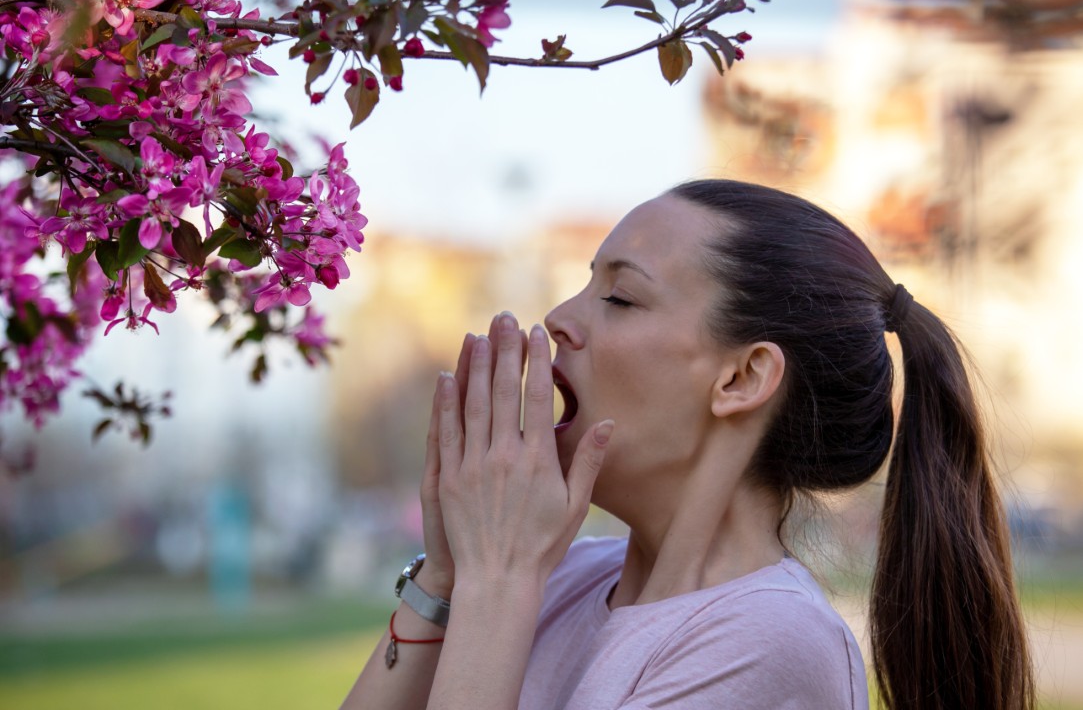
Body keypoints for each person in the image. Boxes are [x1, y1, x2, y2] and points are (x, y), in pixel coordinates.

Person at [340, 180, 1034, 710]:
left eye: (619, 298)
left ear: (741, 377)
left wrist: (496, 579)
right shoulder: (564, 576)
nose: (559, 319)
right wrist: (448, 578)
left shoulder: (765, 644)